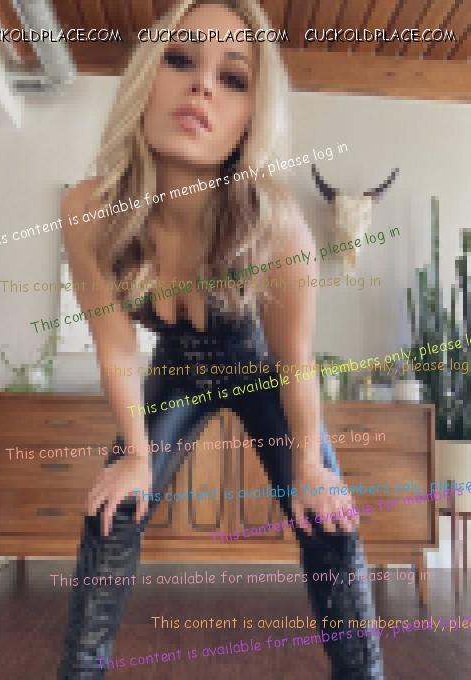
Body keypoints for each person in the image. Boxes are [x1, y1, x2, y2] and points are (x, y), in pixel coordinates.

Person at [57, 1, 384, 677]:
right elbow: (116, 348)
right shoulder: (89, 210)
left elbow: (295, 361)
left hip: (264, 371)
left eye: (233, 78)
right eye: (180, 60)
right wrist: (135, 457)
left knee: (327, 516)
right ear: (146, 79)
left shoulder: (280, 227)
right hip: (175, 369)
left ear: (250, 117)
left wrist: (311, 466)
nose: (202, 85)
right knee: (114, 508)